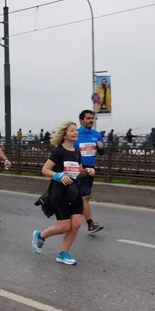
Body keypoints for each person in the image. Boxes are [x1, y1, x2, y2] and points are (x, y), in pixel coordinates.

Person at [32, 121, 94, 265]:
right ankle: (40, 236)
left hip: (74, 191)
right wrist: (58, 176)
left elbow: (77, 173)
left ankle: (63, 253)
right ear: (64, 134)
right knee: (64, 227)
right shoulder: (58, 151)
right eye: (72, 131)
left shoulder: (77, 152)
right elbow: (45, 169)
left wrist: (87, 171)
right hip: (60, 192)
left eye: (76, 131)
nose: (75, 133)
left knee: (77, 224)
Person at [74, 110, 104, 234]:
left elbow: (101, 153)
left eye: (92, 118)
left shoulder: (97, 134)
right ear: (81, 120)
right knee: (85, 197)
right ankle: (90, 224)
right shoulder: (75, 134)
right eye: (88, 118)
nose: (91, 120)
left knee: (81, 197)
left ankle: (71, 218)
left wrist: (101, 148)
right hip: (79, 168)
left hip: (91, 168)